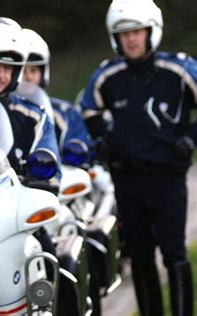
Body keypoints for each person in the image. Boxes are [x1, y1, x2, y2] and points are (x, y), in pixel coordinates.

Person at [79, 0, 196, 315]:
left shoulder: (179, 70)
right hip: (127, 178)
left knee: (174, 252)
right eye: (124, 33)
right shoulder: (108, 75)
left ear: (152, 31)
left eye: (137, 31)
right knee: (140, 254)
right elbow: (87, 108)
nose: (131, 39)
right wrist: (101, 139)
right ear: (115, 37)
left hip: (168, 177)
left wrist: (191, 137)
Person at [0, 17, 61, 180]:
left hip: (10, 203)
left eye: (7, 68)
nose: (1, 75)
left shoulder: (35, 118)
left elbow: (52, 176)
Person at [20, 28, 91, 160]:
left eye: (33, 70)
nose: (28, 77)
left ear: (43, 73)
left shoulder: (65, 113)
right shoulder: (0, 110)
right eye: (22, 71)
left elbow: (81, 156)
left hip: (55, 178)